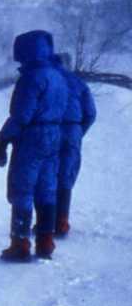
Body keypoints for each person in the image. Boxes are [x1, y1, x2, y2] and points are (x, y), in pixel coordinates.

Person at [0, 30, 68, 261]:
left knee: (22, 188)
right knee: (47, 188)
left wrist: (2, 139)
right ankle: (46, 241)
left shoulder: (31, 78)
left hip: (32, 136)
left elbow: (21, 115)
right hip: (55, 134)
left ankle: (20, 244)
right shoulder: (58, 76)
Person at [51, 52, 96, 237]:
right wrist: (78, 131)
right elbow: (91, 113)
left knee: (47, 175)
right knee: (66, 176)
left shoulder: (46, 80)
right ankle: (62, 221)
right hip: (72, 130)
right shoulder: (78, 83)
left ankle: (45, 222)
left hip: (50, 129)